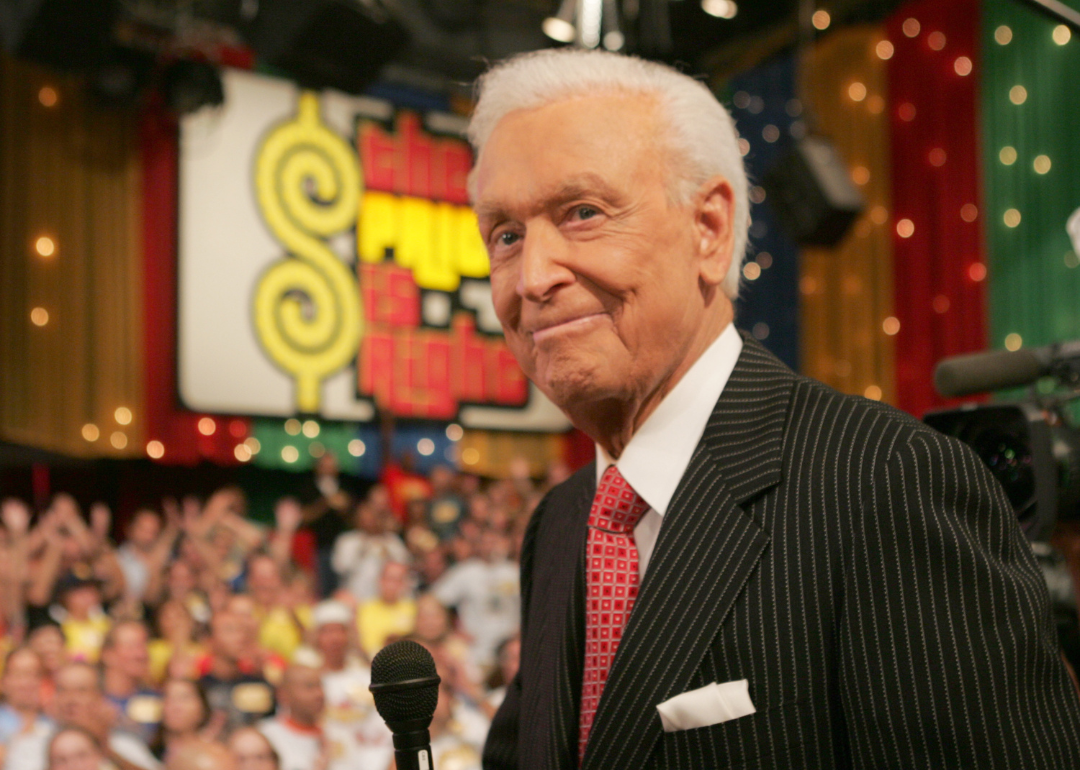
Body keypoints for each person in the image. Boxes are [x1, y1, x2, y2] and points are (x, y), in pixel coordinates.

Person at [469, 48, 1080, 768]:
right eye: (506, 235)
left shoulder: (888, 483)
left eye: (582, 213)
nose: (532, 277)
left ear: (710, 229)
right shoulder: (564, 522)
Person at [256, 663, 329, 770]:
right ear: (283, 695)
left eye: (320, 686)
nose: (319, 694)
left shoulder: (338, 731)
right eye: (309, 687)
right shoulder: (266, 736)